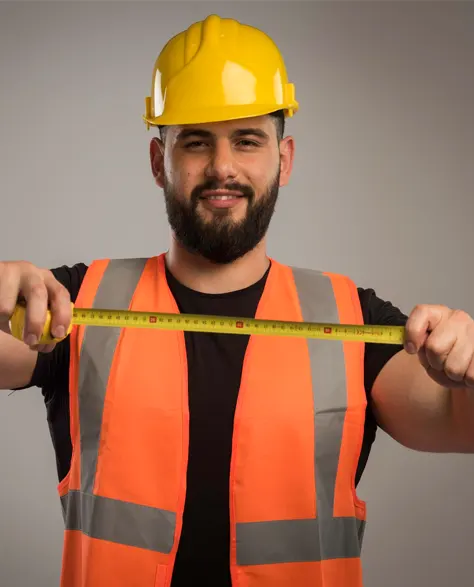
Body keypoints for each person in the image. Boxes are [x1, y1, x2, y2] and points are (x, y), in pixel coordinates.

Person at [1, 13, 473, 587]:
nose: (222, 167)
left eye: (247, 140)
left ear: (284, 159)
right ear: (159, 163)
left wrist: (468, 363)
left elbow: (457, 419)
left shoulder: (352, 317)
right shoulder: (71, 303)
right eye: (195, 142)